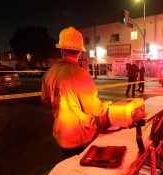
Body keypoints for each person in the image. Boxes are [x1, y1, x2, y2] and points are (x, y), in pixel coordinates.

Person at [41, 26, 111, 157]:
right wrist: (105, 106)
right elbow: (93, 108)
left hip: (61, 134)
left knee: (68, 167)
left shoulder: (49, 73)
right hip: (81, 137)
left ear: (62, 50)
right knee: (83, 169)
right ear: (79, 52)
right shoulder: (80, 74)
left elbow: (45, 100)